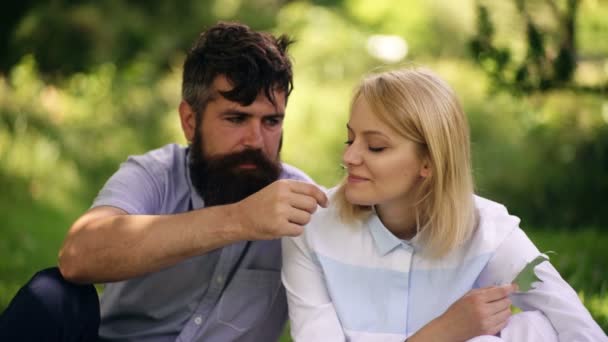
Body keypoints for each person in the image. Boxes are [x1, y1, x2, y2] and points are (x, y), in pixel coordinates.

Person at [0, 21, 328, 341]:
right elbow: (77, 256)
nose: (256, 140)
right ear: (190, 120)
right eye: (236, 118)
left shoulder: (302, 204)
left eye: (271, 121)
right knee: (53, 294)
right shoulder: (155, 174)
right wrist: (241, 219)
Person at [281, 67, 608, 341]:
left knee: (535, 327)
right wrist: (441, 333)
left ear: (430, 162)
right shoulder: (310, 229)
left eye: (376, 147)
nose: (349, 157)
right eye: (350, 139)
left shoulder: (489, 229)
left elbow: (575, 323)